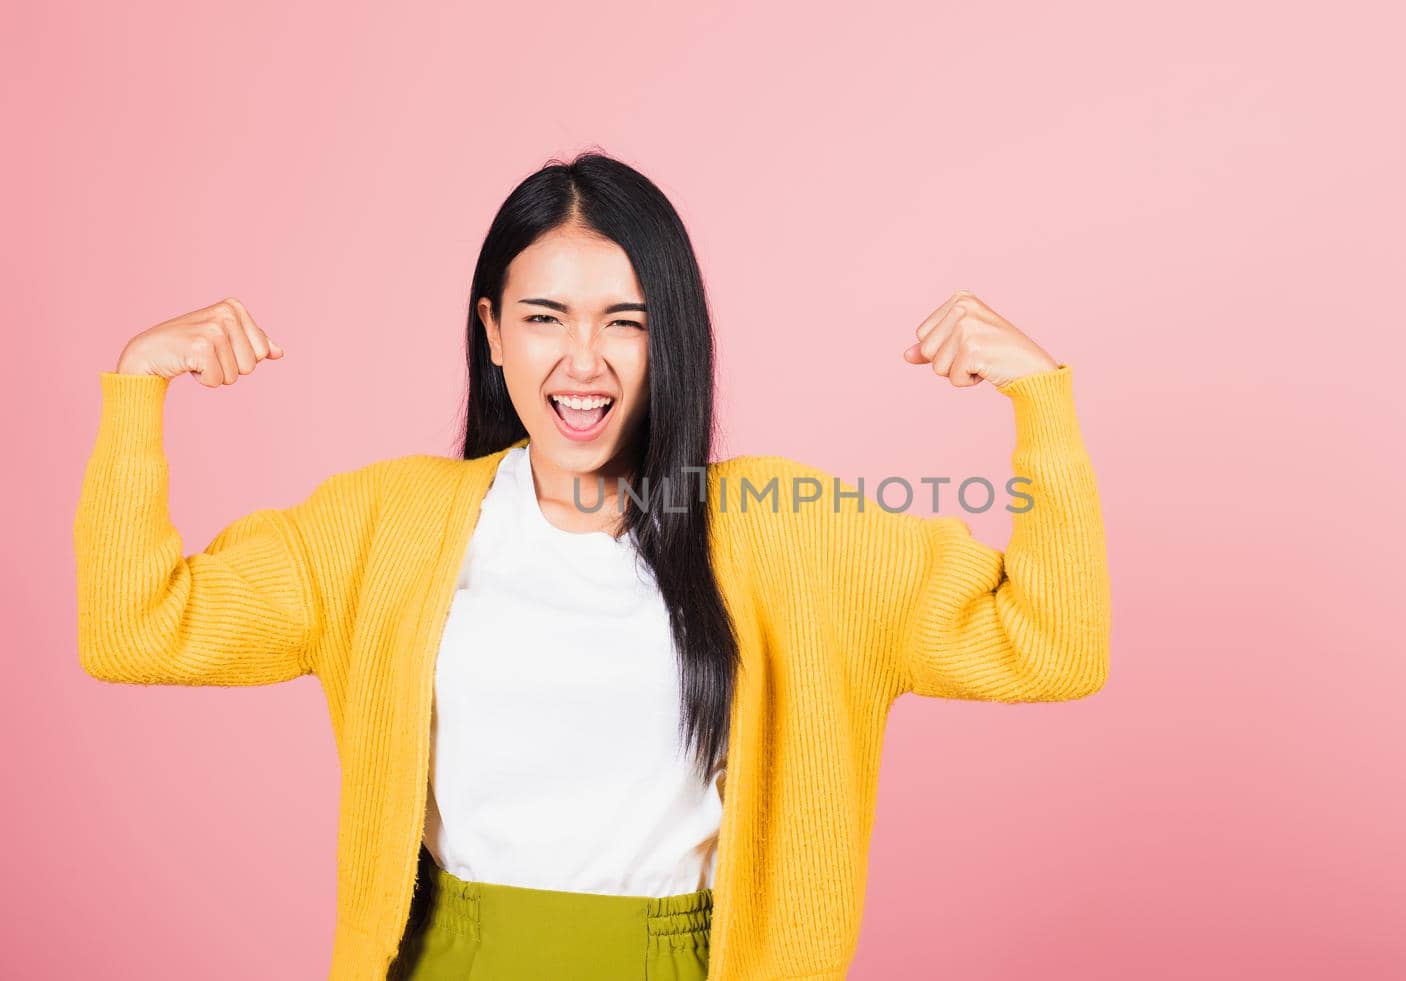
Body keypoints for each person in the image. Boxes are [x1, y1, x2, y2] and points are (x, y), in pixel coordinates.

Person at [72, 151, 1112, 980]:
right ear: (490, 334)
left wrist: (1041, 405)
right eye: (542, 319)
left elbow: (1050, 649)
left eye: (627, 322)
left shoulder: (788, 532)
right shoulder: (384, 525)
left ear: (677, 343)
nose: (583, 361)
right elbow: (137, 629)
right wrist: (136, 392)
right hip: (447, 959)